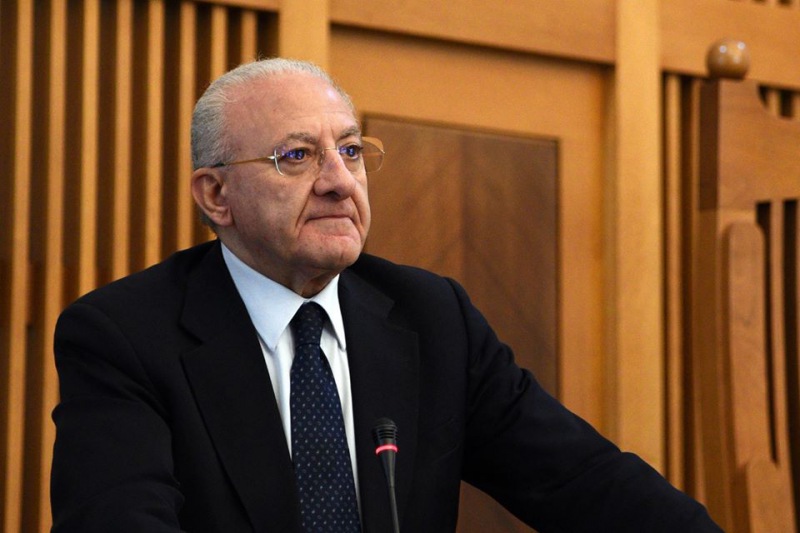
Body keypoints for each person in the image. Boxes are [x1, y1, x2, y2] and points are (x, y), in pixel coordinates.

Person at [51, 57, 722, 532]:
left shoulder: (434, 318)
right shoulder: (124, 336)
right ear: (216, 194)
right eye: (296, 156)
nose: (339, 181)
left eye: (350, 151)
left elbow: (586, 483)